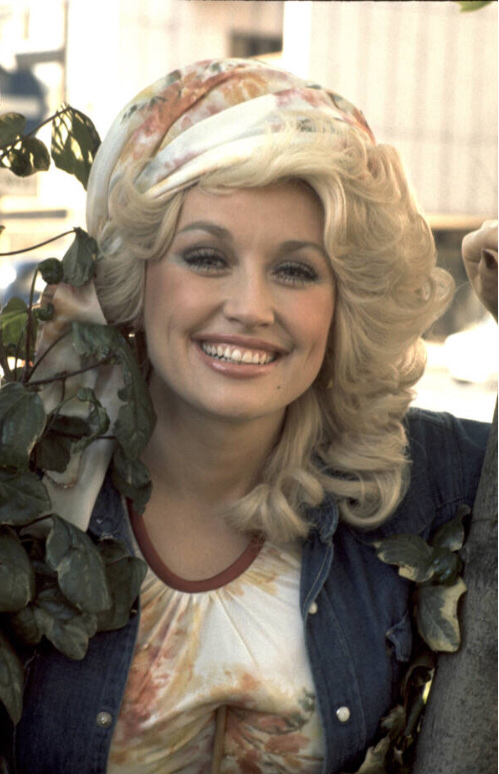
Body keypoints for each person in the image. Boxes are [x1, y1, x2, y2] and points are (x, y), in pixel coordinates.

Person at [12, 58, 496, 774]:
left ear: (341, 303)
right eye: (206, 257)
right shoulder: (25, 485)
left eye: (295, 270)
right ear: (135, 278)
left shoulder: (413, 477)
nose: (250, 308)